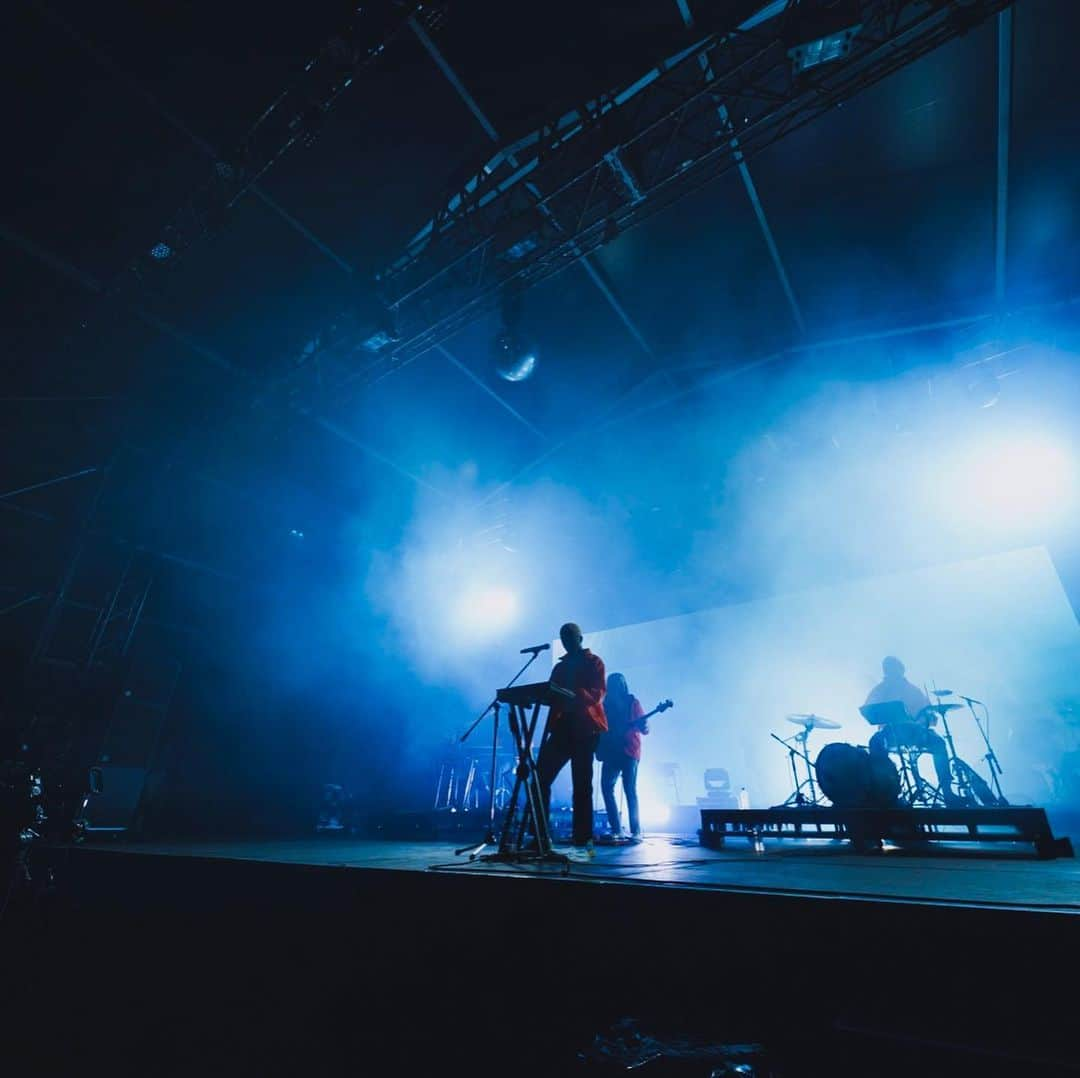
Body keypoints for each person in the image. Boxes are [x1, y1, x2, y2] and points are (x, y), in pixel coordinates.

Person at [537, 623, 606, 846]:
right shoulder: (560, 667)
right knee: (540, 778)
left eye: (569, 636)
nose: (566, 640)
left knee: (582, 784)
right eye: (563, 637)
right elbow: (550, 692)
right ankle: (540, 835)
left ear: (580, 638)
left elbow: (597, 694)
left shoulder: (593, 662)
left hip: (586, 727)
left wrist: (572, 694)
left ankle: (583, 836)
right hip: (563, 727)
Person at [865, 656, 960, 805]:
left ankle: (947, 792)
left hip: (914, 732)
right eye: (887, 669)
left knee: (939, 743)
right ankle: (885, 793)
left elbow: (928, 713)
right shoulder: (879, 690)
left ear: (901, 670)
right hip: (890, 733)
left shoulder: (913, 690)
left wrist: (922, 722)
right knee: (875, 743)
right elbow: (869, 710)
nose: (889, 672)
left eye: (892, 668)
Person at [596, 673, 648, 843]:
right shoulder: (605, 705)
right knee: (607, 787)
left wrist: (643, 725)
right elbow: (601, 728)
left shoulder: (632, 702)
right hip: (612, 751)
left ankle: (636, 831)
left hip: (629, 751)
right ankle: (617, 829)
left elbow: (645, 729)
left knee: (629, 790)